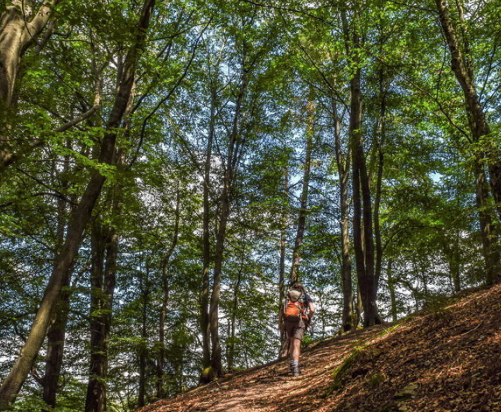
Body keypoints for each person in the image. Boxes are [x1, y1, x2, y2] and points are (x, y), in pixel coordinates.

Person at [279, 281, 315, 376]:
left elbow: (282, 309)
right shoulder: (305, 297)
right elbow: (312, 310)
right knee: (296, 344)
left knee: (291, 343)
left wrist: (280, 323)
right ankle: (295, 368)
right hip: (300, 321)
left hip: (288, 321)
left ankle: (292, 366)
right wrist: (308, 316)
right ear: (302, 288)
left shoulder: (288, 296)